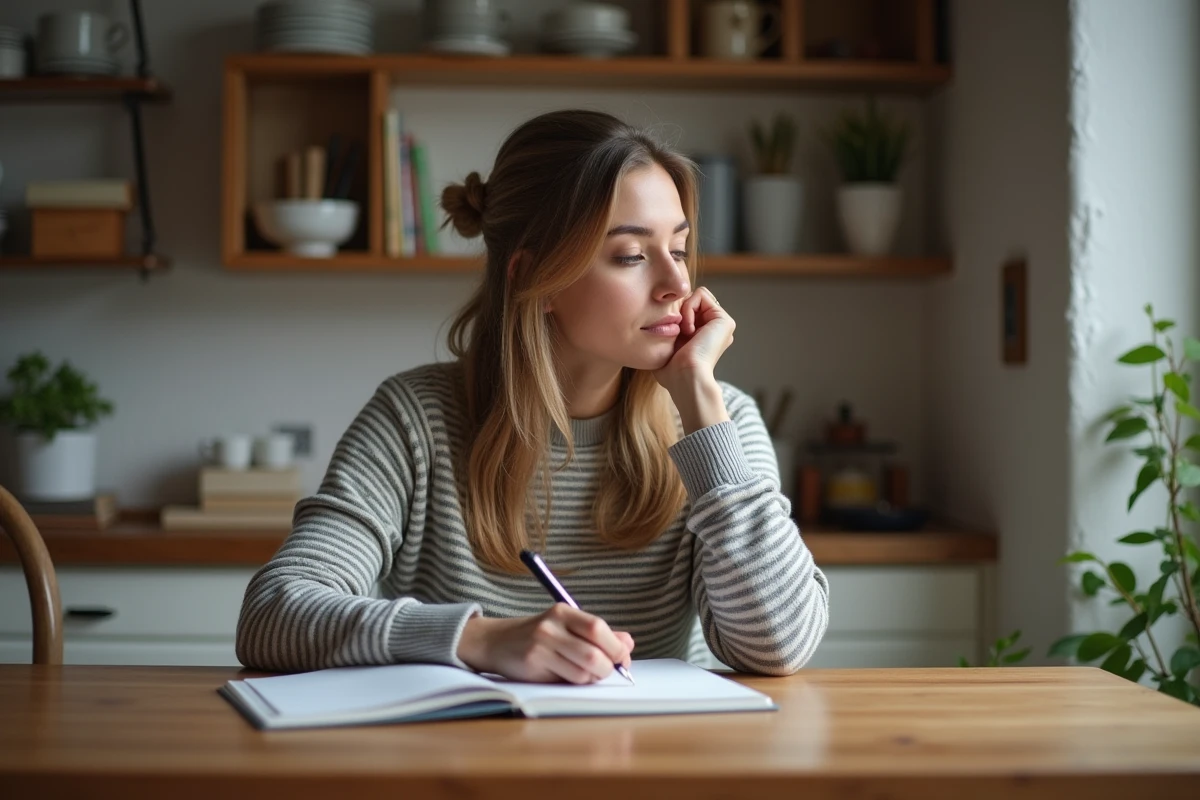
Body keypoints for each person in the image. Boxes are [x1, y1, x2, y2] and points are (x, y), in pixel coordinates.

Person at [235, 109, 829, 683]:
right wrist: (482, 640)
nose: (678, 285)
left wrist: (700, 404)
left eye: (678, 248)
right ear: (533, 278)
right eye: (630, 255)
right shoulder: (415, 421)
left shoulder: (718, 424)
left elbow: (778, 646)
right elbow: (274, 613)